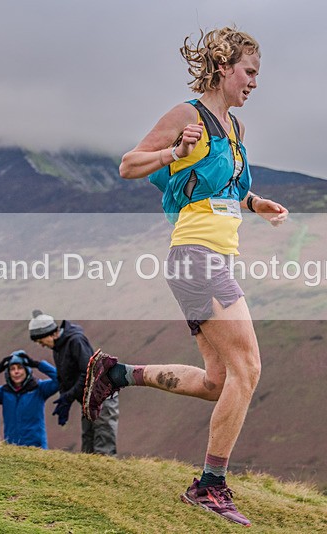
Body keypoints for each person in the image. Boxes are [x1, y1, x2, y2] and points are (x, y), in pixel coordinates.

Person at [83, 26, 288, 526]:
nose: (255, 82)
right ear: (223, 68)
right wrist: (174, 152)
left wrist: (255, 203)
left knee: (220, 381)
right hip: (197, 257)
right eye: (250, 71)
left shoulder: (234, 129)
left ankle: (115, 373)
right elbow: (129, 165)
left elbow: (220, 189)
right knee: (249, 369)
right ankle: (211, 486)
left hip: (213, 257)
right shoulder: (186, 115)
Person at [29, 310, 118, 456]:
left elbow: (89, 373)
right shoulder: (58, 348)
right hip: (87, 399)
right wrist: (65, 401)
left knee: (103, 441)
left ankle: (108, 475)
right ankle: (90, 475)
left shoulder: (75, 341)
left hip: (102, 395)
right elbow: (64, 378)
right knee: (88, 443)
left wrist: (68, 397)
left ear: (50, 334)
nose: (41, 345)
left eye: (40, 341)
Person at [0, 350, 59, 449]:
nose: (16, 372)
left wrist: (38, 364)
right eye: (12, 369)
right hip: (12, 448)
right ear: (8, 373)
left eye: (20, 368)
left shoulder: (39, 388)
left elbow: (60, 380)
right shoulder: (4, 392)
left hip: (36, 447)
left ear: (27, 370)